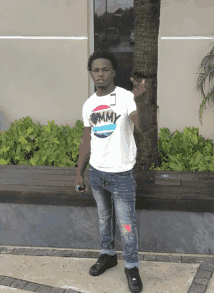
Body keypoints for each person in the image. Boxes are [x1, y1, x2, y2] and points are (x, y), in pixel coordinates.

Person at [75, 48, 143, 293]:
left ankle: (132, 266)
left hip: (122, 175)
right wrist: (79, 173)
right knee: (105, 219)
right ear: (91, 74)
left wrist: (140, 99)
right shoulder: (89, 104)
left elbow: (141, 125)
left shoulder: (126, 97)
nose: (100, 74)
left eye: (105, 69)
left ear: (113, 72)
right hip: (97, 173)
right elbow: (86, 140)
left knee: (126, 224)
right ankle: (107, 255)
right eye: (96, 70)